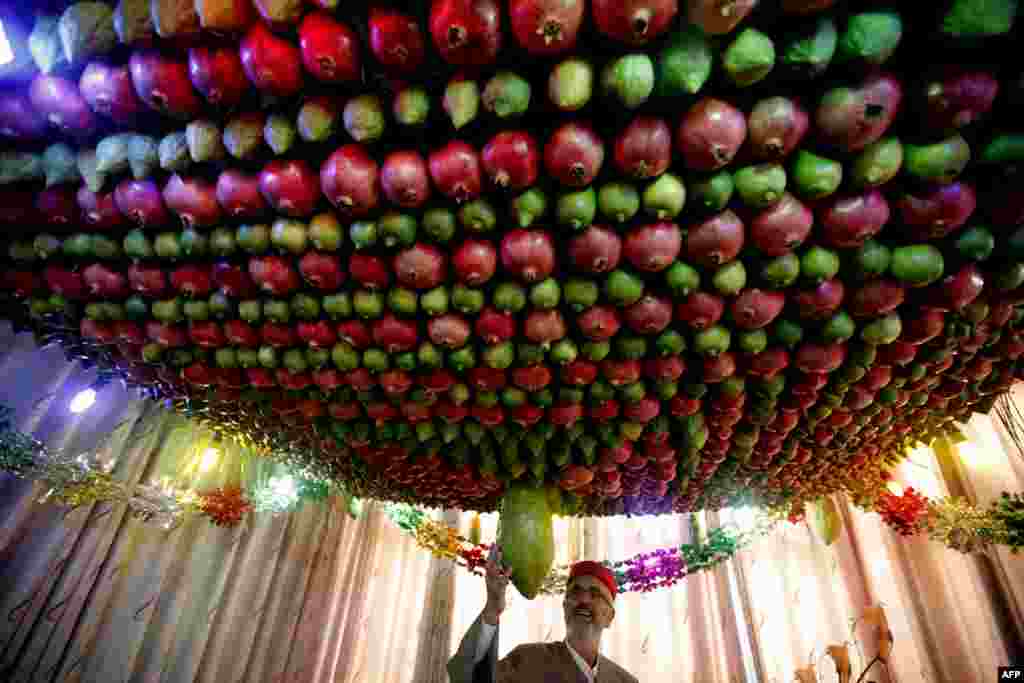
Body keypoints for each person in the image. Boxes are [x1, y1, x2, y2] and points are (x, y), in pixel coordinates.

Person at [447, 546, 639, 683]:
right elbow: (467, 678)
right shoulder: (526, 660)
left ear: (609, 617)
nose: (584, 600)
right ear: (564, 607)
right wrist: (492, 608)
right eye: (575, 591)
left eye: (595, 594)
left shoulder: (624, 680)